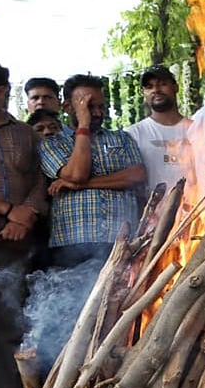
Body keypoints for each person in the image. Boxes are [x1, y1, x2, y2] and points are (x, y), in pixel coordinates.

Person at [0, 59, 47, 388]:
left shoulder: (25, 133)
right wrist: (8, 209)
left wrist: (27, 214)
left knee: (10, 320)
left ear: (0, 90)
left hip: (14, 242)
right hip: (3, 222)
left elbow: (42, 180)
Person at [39, 75, 145, 269]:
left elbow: (137, 175)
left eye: (101, 107)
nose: (96, 113)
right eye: (88, 107)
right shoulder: (52, 143)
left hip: (121, 241)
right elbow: (77, 174)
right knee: (69, 298)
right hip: (72, 244)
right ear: (68, 107)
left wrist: (81, 185)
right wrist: (83, 126)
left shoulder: (122, 138)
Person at [123, 66, 193, 196]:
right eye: (149, 87)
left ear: (175, 87)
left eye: (162, 84)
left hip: (199, 211)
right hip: (153, 214)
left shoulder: (196, 129)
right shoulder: (133, 134)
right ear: (144, 93)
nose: (156, 90)